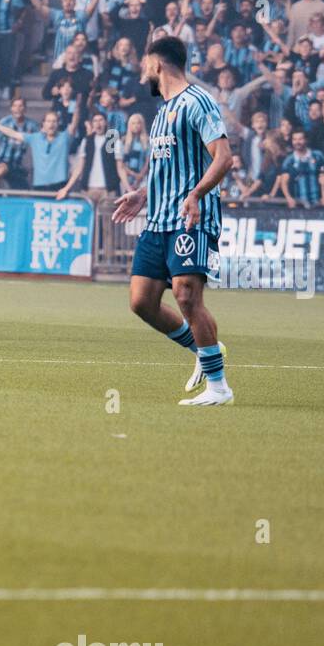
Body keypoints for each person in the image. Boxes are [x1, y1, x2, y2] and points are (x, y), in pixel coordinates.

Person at [112, 36, 234, 407]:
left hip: (190, 219)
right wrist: (143, 194)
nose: (141, 73)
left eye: (144, 66)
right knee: (141, 302)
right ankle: (203, 348)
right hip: (157, 220)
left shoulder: (198, 101)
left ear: (157, 64)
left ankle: (219, 388)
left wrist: (196, 195)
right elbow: (167, 169)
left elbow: (223, 158)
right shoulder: (163, 112)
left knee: (186, 295)